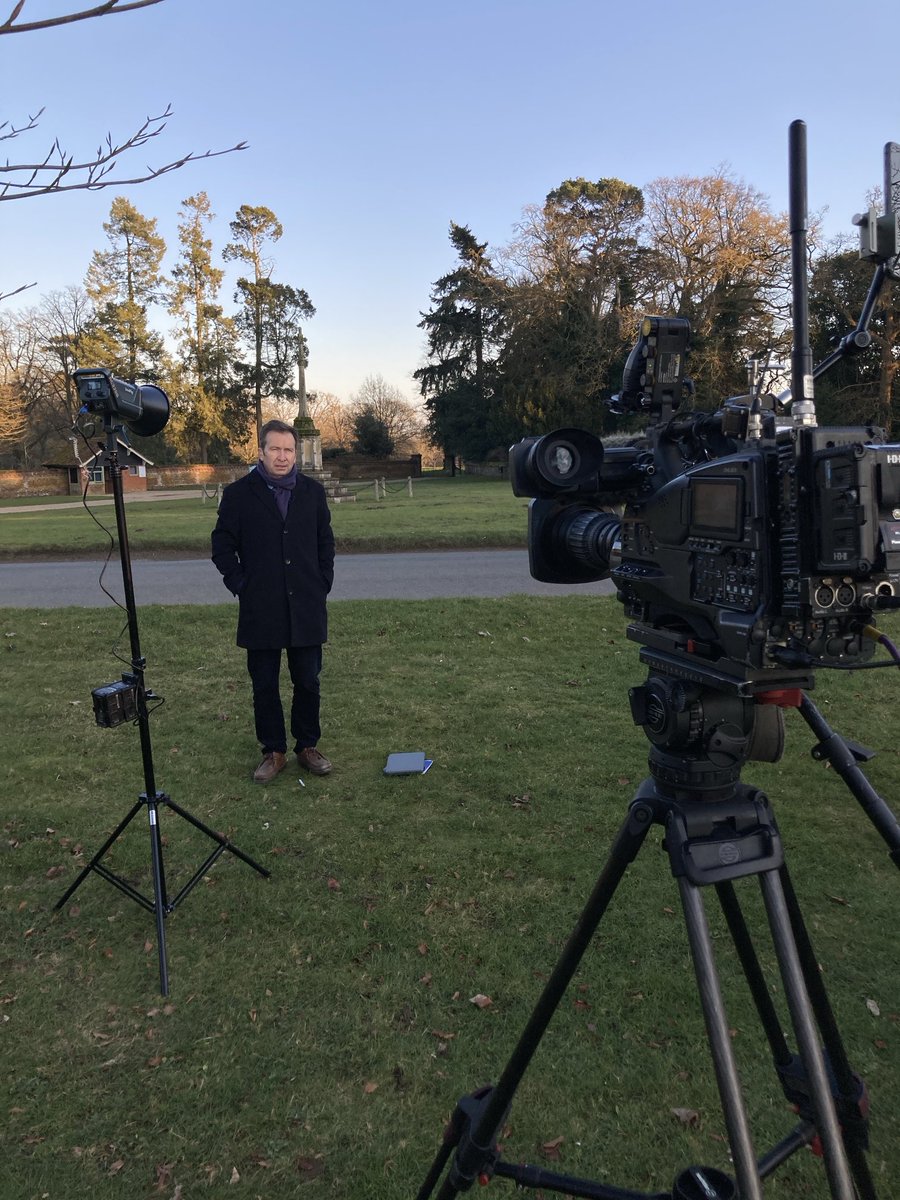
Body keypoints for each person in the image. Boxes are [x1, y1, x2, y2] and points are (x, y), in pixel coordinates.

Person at [211, 419, 335, 783]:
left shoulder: (312, 493)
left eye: (288, 450)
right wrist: (240, 584)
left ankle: (307, 746)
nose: (282, 457)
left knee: (308, 681)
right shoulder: (238, 495)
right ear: (261, 451)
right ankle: (274, 750)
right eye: (275, 449)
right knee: (264, 684)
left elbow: (324, 542)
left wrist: (322, 582)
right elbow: (222, 546)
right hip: (260, 607)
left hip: (306, 606)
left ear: (296, 453)